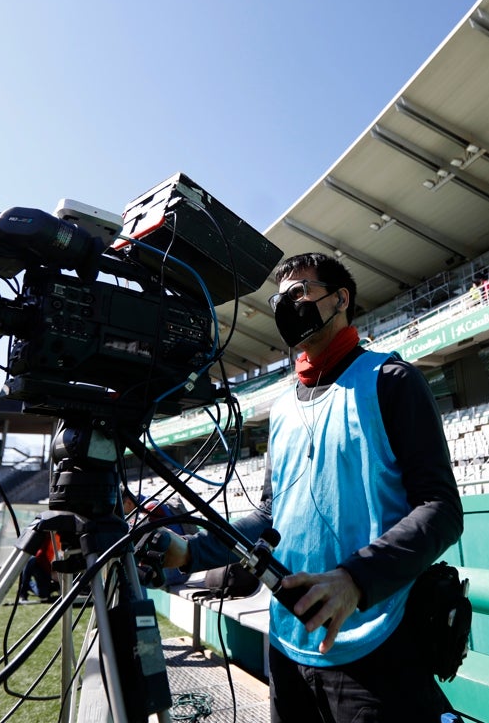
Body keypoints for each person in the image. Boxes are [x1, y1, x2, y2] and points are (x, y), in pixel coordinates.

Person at [159, 252, 464, 722]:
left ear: (341, 299)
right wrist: (191, 551)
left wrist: (354, 580)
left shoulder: (392, 380)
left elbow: (441, 508)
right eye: (280, 298)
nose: (287, 305)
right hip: (285, 645)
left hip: (378, 642)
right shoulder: (281, 407)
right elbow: (269, 516)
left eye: (301, 292)